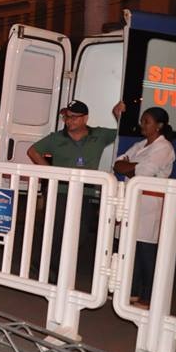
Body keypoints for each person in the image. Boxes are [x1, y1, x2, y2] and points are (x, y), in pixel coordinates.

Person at [26, 99, 123, 281]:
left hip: (85, 193)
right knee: (55, 231)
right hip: (61, 191)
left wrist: (117, 115)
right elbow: (33, 151)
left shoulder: (99, 135)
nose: (69, 121)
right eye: (66, 117)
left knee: (81, 233)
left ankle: (58, 267)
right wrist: (50, 172)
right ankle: (46, 269)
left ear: (85, 118)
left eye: (73, 117)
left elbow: (122, 133)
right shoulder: (56, 138)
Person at [113, 107, 175, 308]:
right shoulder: (141, 145)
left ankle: (149, 296)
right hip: (134, 201)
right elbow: (118, 163)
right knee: (132, 247)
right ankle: (132, 292)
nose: (142, 125)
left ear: (159, 126)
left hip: (150, 205)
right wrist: (130, 166)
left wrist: (130, 166)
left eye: (146, 121)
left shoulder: (164, 148)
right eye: (142, 120)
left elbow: (144, 173)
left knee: (146, 251)